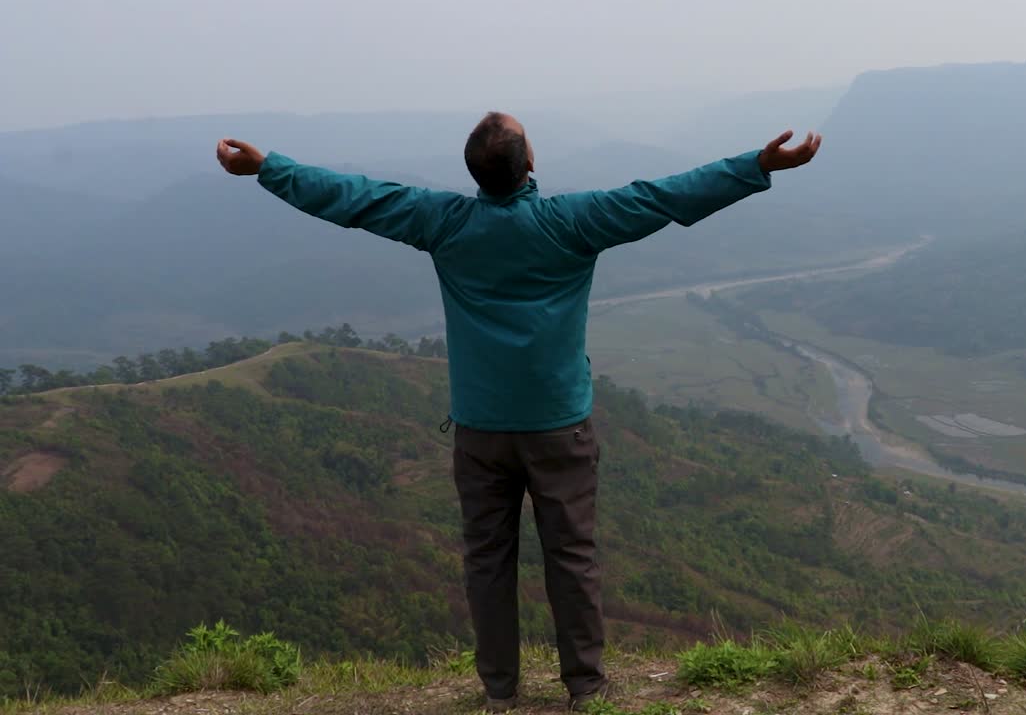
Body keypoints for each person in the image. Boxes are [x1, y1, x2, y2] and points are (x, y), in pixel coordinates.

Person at [215, 113, 821, 711]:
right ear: (529, 163)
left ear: (475, 173)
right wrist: (757, 164)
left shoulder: (442, 222)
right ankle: (585, 686)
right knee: (572, 556)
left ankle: (500, 690)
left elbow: (354, 198)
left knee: (487, 560)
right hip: (560, 426)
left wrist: (267, 167)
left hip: (481, 431)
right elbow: (662, 197)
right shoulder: (572, 222)